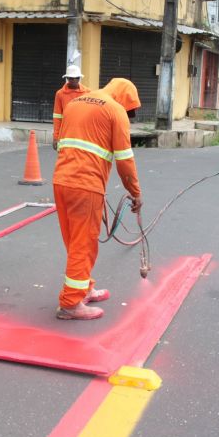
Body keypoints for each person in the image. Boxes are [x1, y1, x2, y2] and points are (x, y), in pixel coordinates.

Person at [53, 77, 143, 320]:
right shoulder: (115, 111)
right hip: (86, 185)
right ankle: (71, 303)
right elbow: (125, 161)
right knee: (83, 243)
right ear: (125, 98)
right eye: (130, 110)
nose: (128, 113)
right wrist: (135, 193)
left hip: (61, 180)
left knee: (75, 241)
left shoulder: (75, 102)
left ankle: (84, 287)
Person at [52, 64, 91, 150]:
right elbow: (57, 117)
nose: (74, 80)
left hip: (83, 134)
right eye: (71, 78)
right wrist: (55, 137)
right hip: (66, 133)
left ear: (79, 78)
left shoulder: (88, 92)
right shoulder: (60, 94)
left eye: (77, 77)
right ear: (67, 78)